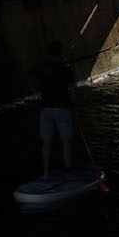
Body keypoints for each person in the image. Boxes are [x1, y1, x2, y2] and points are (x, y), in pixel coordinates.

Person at [35, 43, 74, 180]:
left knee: (46, 142)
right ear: (60, 53)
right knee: (66, 141)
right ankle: (68, 172)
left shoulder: (42, 69)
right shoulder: (65, 68)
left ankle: (45, 173)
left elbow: (39, 86)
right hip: (62, 108)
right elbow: (72, 89)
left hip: (46, 108)